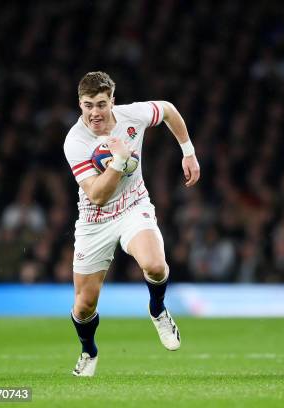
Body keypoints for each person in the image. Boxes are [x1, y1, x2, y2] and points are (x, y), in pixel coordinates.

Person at [63, 71, 200, 377]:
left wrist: (188, 152)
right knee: (84, 306)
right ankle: (89, 351)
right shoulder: (75, 141)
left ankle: (158, 310)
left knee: (155, 265)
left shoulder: (132, 116)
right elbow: (97, 196)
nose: (95, 112)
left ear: (112, 100)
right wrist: (119, 161)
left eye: (101, 104)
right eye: (88, 105)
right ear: (80, 104)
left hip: (133, 207)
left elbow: (167, 109)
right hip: (94, 222)